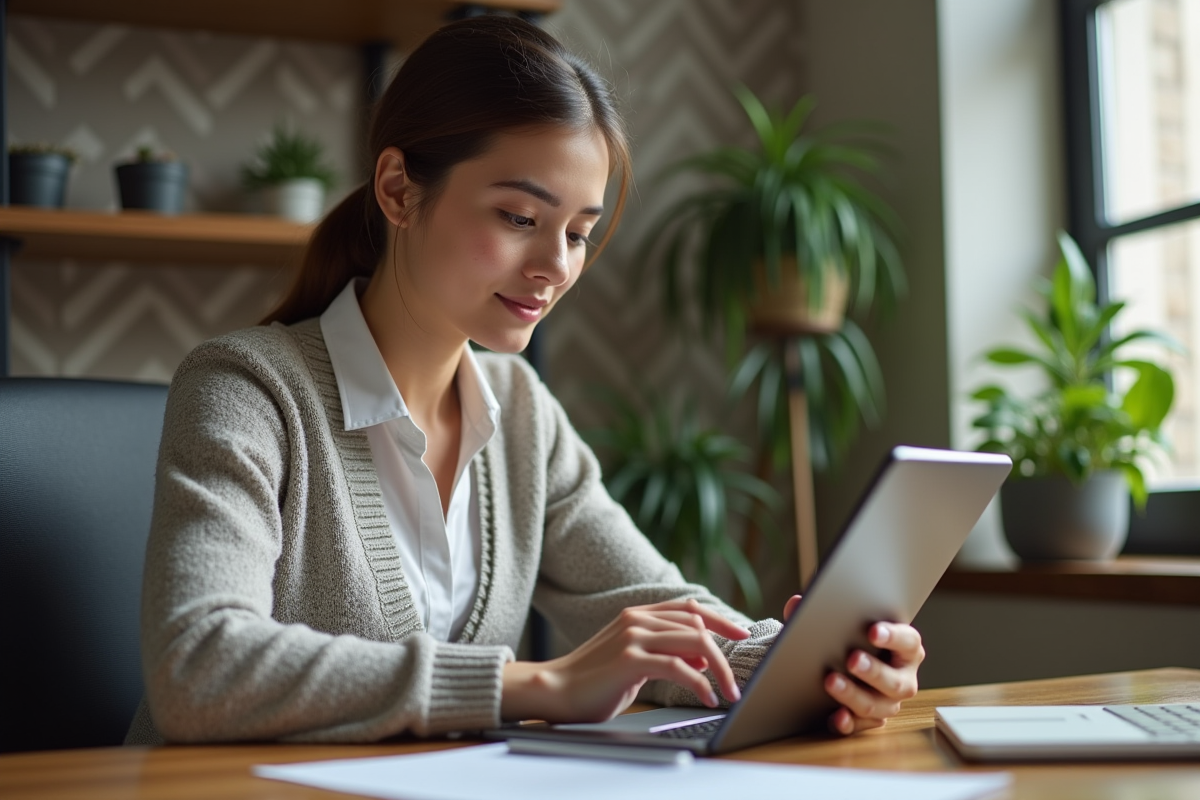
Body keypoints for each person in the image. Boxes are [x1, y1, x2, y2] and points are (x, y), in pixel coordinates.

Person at [125, 15, 923, 746]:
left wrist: (818, 664)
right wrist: (538, 684)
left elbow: (653, 609)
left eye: (579, 231)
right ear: (398, 189)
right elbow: (196, 669)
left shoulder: (519, 412)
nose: (556, 267)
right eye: (518, 218)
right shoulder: (246, 390)